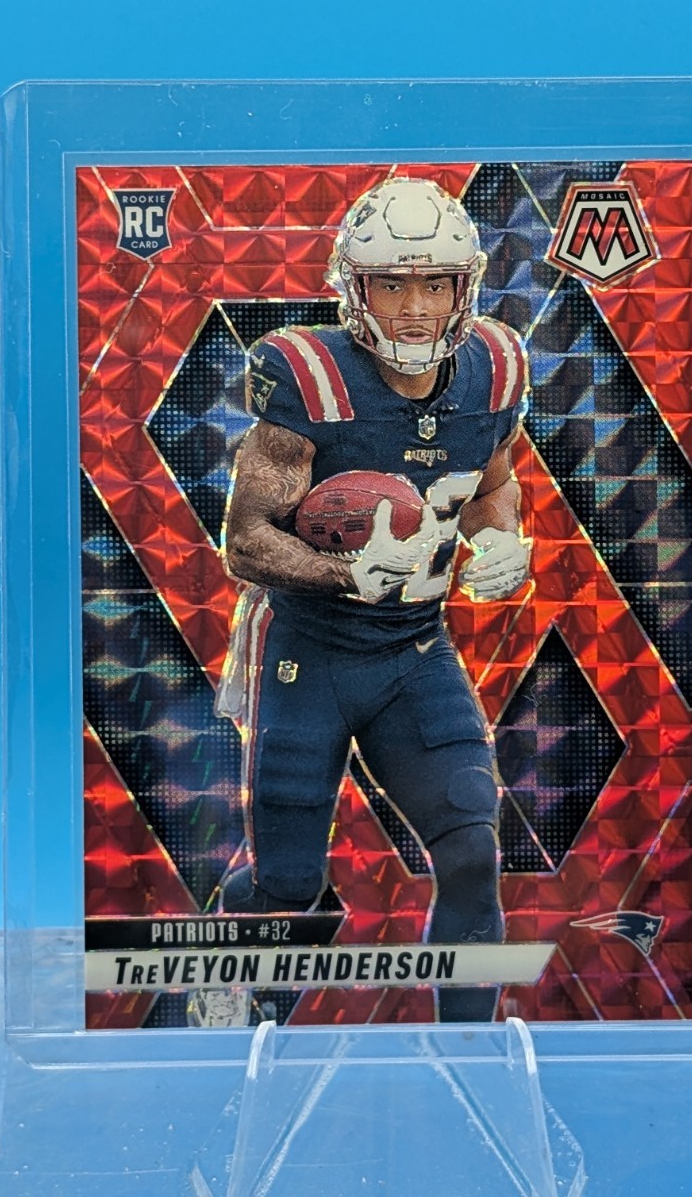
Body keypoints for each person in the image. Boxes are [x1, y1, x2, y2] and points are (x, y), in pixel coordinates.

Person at [199, 176, 531, 1025]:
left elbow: (493, 482)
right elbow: (246, 540)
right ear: (356, 287)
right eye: (392, 284)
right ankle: (239, 985)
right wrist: (346, 573)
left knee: (472, 851)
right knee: (288, 882)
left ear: (465, 287)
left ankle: (471, 1054)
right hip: (308, 652)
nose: (415, 309)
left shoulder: (493, 368)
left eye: (435, 284)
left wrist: (498, 539)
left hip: (413, 649)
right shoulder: (310, 377)